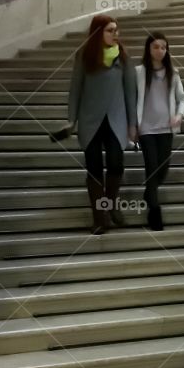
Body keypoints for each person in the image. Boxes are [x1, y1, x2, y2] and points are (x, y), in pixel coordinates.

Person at [66, 14, 137, 235]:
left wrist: (133, 124)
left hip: (116, 120)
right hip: (90, 121)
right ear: (98, 33)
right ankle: (99, 218)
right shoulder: (84, 56)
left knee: (116, 164)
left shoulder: (124, 57)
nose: (115, 34)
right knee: (95, 170)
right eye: (110, 30)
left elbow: (130, 93)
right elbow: (75, 89)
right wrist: (71, 120)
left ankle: (110, 204)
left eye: (116, 30)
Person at [136, 33, 184, 231]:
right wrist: (133, 125)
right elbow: (132, 99)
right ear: (149, 49)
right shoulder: (138, 72)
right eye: (156, 47)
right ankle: (154, 211)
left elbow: (182, 98)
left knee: (163, 168)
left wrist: (180, 115)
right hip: (146, 129)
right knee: (151, 166)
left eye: (163, 47)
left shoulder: (173, 73)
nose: (160, 51)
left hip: (166, 128)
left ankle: (149, 193)